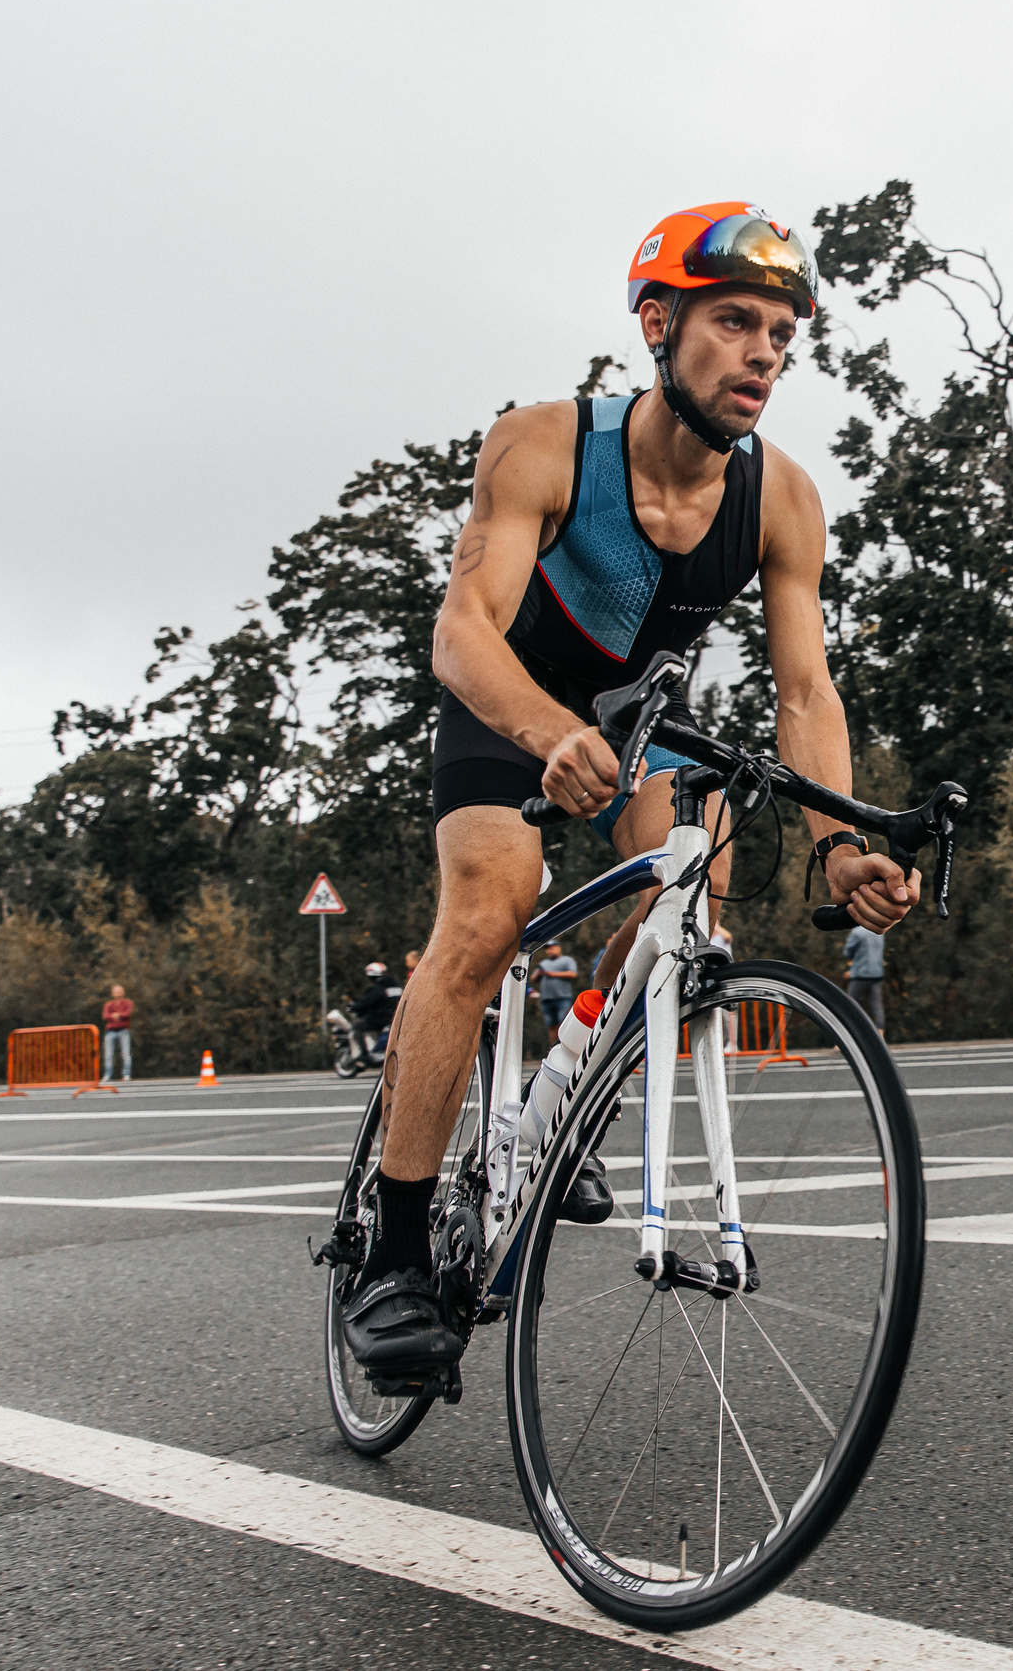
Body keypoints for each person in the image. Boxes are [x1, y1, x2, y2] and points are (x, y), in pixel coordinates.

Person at [345, 201, 920, 1385]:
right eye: (732, 322)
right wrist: (546, 730)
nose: (763, 351)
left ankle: (571, 1088)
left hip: (638, 732)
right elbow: (461, 632)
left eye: (779, 331)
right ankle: (397, 1254)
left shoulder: (781, 500)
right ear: (659, 323)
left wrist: (837, 846)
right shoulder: (547, 443)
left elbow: (805, 696)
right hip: (512, 708)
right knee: (492, 908)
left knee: (692, 888)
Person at [843, 924, 886, 1036]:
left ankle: (845, 1036)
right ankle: (880, 1034)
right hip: (876, 973)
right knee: (877, 1005)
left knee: (850, 1005)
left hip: (860, 973)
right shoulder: (879, 931)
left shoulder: (857, 932)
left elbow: (847, 952)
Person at [532, 941, 579, 1035]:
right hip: (546, 998)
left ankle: (562, 1045)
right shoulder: (544, 963)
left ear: (559, 948)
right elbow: (533, 978)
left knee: (563, 1024)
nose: (550, 951)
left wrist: (552, 974)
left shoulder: (567, 960)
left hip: (562, 997)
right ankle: (552, 1047)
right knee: (551, 1025)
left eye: (552, 948)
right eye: (548, 949)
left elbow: (572, 974)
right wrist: (539, 974)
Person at [100, 985, 135, 1083]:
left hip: (123, 1030)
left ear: (123, 992)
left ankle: (126, 1074)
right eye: (116, 991)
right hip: (111, 1031)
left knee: (126, 1054)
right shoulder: (109, 1005)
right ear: (113, 993)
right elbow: (105, 1015)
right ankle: (107, 1074)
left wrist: (118, 1015)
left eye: (120, 991)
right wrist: (114, 1016)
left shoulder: (128, 1003)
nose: (118, 993)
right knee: (108, 1054)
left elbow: (128, 1013)